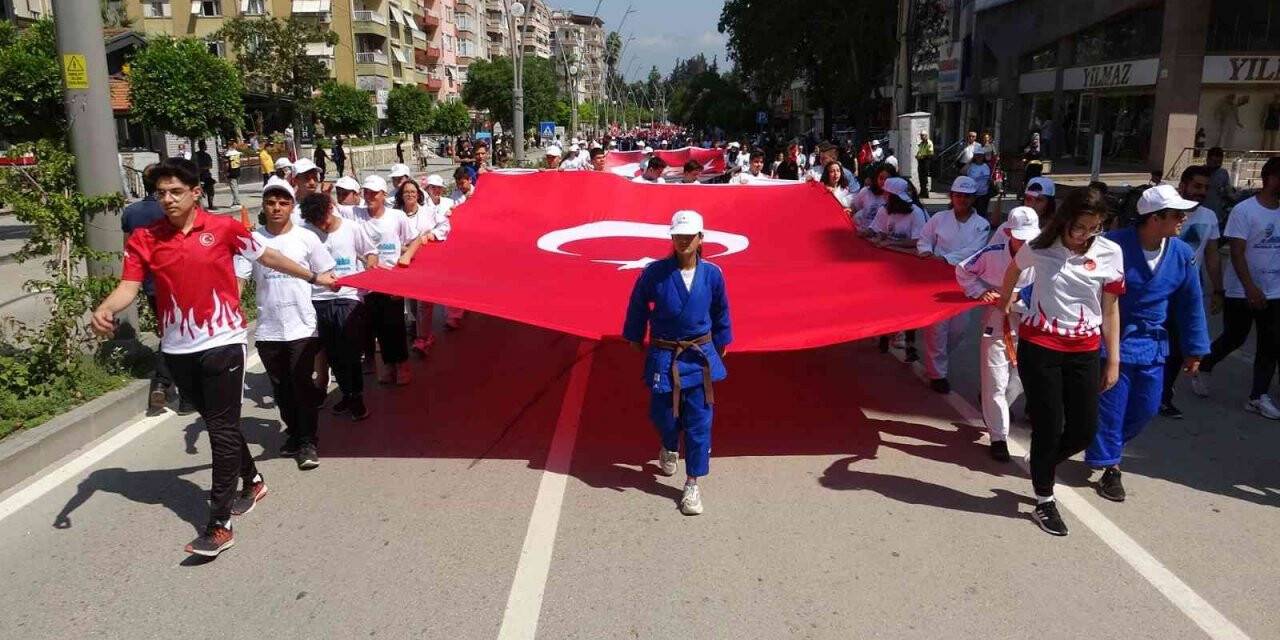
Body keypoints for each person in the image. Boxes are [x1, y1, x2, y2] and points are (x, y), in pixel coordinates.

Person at [91, 158, 338, 557]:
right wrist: (107, 307)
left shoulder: (224, 228)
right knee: (215, 422)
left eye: (175, 192)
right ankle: (253, 479)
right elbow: (129, 285)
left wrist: (312, 276)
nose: (167, 200)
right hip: (177, 346)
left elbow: (267, 256)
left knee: (222, 428)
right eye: (160, 193)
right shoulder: (144, 238)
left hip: (224, 339)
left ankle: (219, 522)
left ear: (195, 193)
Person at [997, 188, 1123, 536]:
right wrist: (1004, 302)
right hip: (1040, 348)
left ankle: (1041, 461)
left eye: (1094, 228)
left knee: (1084, 429)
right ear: (1064, 220)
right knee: (1049, 425)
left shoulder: (1110, 252)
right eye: (1079, 228)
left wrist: (1113, 360)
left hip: (1085, 349)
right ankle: (1044, 499)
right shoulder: (1040, 246)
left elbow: (1111, 308)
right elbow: (1011, 271)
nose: (1085, 236)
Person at [1084, 184, 1208, 502]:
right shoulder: (1111, 245)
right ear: (1155, 218)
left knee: (1147, 407)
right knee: (1112, 409)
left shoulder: (1180, 254)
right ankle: (1111, 467)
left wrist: (1195, 349)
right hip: (1114, 340)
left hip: (1153, 345)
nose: (1183, 219)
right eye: (1177, 214)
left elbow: (1190, 302)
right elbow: (1077, 282)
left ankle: (1099, 441)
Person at [622, 210, 733, 516]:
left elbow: (722, 309)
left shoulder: (713, 274)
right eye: (678, 235)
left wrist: (722, 339)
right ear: (671, 237)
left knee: (700, 423)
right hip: (664, 354)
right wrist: (635, 334)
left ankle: (693, 483)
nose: (683, 241)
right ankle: (669, 444)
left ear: (701, 238)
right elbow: (637, 305)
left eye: (690, 236)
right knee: (663, 415)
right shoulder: (654, 272)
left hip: (699, 356)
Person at [245, 178, 338, 471]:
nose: (276, 208)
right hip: (269, 327)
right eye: (271, 203)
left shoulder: (306, 238)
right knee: (282, 389)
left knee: (301, 385)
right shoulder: (253, 241)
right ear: (264, 206)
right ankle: (295, 432)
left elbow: (326, 271)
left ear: (291, 207)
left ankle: (308, 440)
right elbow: (237, 278)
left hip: (302, 326)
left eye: (283, 203)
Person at [1193, 157, 1280, 417]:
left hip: (1275, 291)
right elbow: (1238, 253)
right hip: (1242, 290)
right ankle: (1204, 365)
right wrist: (1250, 287)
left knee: (1271, 344)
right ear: (1271, 178)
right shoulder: (1245, 211)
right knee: (1235, 337)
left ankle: (1257, 396)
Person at [956, 205, 1039, 460]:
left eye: (1029, 237)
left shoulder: (1046, 256)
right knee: (994, 381)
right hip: (997, 320)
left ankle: (996, 412)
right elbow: (962, 269)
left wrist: (1017, 298)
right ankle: (998, 436)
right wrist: (980, 290)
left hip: (1033, 324)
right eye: (1019, 236)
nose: (1024, 242)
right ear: (1008, 232)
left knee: (1019, 381)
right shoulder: (991, 254)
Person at [299, 192, 377, 422]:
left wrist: (369, 270)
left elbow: (371, 253)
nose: (322, 226)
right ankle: (346, 393)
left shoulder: (352, 228)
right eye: (316, 223)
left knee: (350, 352)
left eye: (323, 219)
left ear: (331, 208)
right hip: (318, 299)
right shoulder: (306, 233)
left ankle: (357, 397)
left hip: (348, 296)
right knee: (332, 354)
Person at [121, 163, 188, 416]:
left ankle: (165, 383)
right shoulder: (174, 210)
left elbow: (127, 251)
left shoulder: (131, 212)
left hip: (148, 285)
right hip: (177, 283)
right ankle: (168, 385)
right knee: (179, 335)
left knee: (169, 332)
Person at [917, 176, 992, 392]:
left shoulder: (982, 225)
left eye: (967, 196)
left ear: (973, 199)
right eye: (958, 195)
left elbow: (975, 251)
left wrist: (947, 259)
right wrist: (927, 253)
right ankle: (937, 374)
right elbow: (924, 238)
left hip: (965, 280)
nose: (962, 200)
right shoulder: (939, 218)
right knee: (937, 328)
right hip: (938, 278)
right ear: (952, 196)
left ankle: (937, 361)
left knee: (959, 329)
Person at [1159, 166, 1222, 418]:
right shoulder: (1165, 212)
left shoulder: (1209, 217)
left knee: (1177, 347)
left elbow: (1212, 255)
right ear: (1183, 185)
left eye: (1206, 188)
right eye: (1197, 186)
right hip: (1158, 290)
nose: (1201, 192)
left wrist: (1219, 289)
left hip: (1186, 292)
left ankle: (1164, 396)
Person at [350, 175, 423, 385]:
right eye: (366, 192)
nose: (369, 196)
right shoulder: (356, 215)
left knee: (394, 324)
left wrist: (406, 257)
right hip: (367, 282)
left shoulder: (396, 216)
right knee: (377, 326)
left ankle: (402, 365)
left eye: (374, 193)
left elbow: (416, 238)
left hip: (392, 280)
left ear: (384, 195)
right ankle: (389, 365)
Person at [410, 175, 456, 356]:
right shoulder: (419, 207)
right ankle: (420, 333)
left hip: (441, 256)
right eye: (432, 187)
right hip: (418, 257)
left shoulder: (448, 203)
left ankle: (449, 319)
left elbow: (445, 226)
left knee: (438, 295)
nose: (436, 190)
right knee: (418, 299)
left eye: (439, 187)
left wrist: (433, 234)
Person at [852, 165, 895, 233]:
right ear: (876, 178)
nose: (884, 181)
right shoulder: (866, 191)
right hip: (864, 233)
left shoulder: (897, 197)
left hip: (883, 237)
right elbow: (854, 208)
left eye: (887, 179)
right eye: (881, 178)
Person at [1203, 147, 1233, 223]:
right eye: (1215, 162)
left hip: (1216, 213)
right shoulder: (1200, 172)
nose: (1217, 165)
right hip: (1202, 212)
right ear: (1208, 160)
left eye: (1220, 162)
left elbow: (1228, 191)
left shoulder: (1223, 173)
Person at [967, 146, 993, 218]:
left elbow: (989, 178)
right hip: (973, 195)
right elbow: (962, 171)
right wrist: (970, 161)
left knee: (982, 213)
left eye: (981, 155)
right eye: (977, 155)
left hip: (984, 195)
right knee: (972, 214)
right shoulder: (971, 166)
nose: (979, 157)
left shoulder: (986, 166)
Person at [194, 140, 216, 209]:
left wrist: (200, 169)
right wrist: (203, 169)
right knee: (208, 191)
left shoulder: (197, 155)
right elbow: (210, 166)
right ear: (203, 146)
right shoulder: (205, 155)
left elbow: (210, 165)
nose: (206, 146)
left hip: (203, 176)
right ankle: (207, 206)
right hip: (203, 176)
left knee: (209, 191)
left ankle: (209, 205)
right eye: (205, 145)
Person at [916, 131, 934, 196]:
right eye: (920, 135)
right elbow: (920, 151)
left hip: (926, 162)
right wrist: (917, 156)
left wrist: (923, 156)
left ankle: (926, 192)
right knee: (921, 177)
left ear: (926, 136)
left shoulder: (929, 143)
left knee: (925, 177)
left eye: (922, 135)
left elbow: (931, 154)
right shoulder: (921, 143)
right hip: (920, 162)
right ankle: (922, 191)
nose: (921, 137)